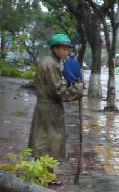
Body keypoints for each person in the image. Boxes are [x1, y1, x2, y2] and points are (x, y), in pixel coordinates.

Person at [28, 33, 83, 162]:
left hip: (46, 107)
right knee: (50, 141)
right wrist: (77, 90)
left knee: (43, 139)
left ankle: (44, 175)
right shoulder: (51, 64)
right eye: (64, 49)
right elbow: (59, 91)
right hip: (49, 109)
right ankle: (45, 175)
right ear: (55, 49)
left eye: (68, 49)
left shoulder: (50, 62)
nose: (66, 52)